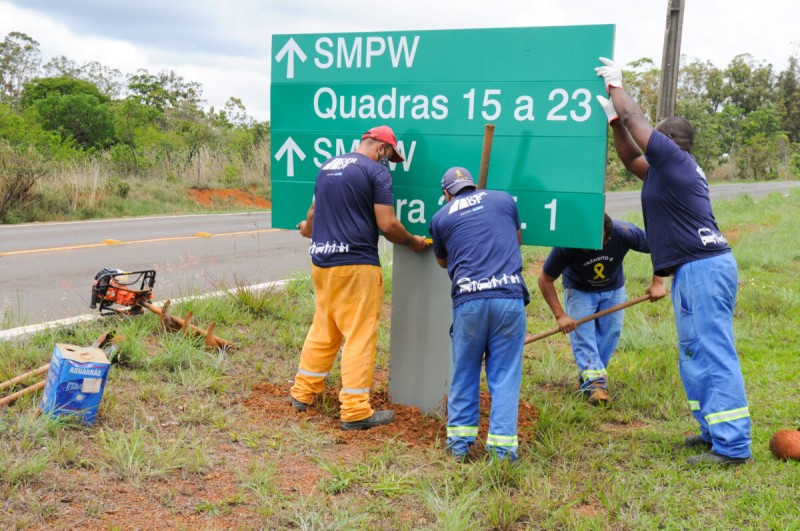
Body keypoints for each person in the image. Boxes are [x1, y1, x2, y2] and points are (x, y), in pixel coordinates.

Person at [595, 57, 752, 466]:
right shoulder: (666, 171)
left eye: (654, 135)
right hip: (692, 269)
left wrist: (618, 88)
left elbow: (636, 117)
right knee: (694, 352)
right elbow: (631, 159)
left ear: (666, 139)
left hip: (705, 267)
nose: (645, 138)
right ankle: (712, 430)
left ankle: (733, 445)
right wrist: (614, 121)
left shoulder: (676, 161)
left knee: (714, 350)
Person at [290, 125, 429, 431]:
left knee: (324, 325)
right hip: (356, 264)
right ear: (381, 148)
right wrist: (414, 242)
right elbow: (388, 225)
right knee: (360, 333)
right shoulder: (376, 173)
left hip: (322, 261)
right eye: (389, 157)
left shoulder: (327, 167)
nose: (388, 163)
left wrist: (307, 231)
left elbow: (312, 217)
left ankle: (303, 393)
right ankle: (354, 410)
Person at [429, 167, 530, 462]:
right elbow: (517, 239)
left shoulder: (441, 217)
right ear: (472, 185)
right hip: (509, 298)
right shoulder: (503, 200)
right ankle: (502, 452)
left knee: (464, 372)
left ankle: (459, 446)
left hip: (469, 302)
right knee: (505, 376)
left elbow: (441, 260)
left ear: (447, 193)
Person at [538, 214, 664, 405]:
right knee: (583, 335)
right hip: (579, 290)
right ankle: (595, 385)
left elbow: (659, 246)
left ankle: (590, 375)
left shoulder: (624, 233)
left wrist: (658, 282)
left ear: (608, 238)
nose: (586, 248)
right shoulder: (568, 242)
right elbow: (545, 280)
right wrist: (560, 315)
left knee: (611, 334)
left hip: (614, 289)